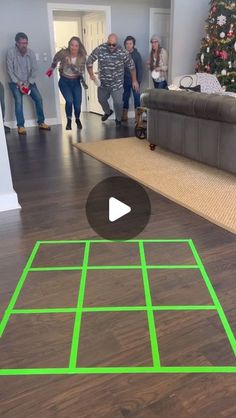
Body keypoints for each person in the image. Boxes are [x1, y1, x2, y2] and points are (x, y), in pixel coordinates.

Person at [86, 33, 139, 127]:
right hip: (103, 84)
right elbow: (89, 61)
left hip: (117, 84)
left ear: (117, 43)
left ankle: (118, 119)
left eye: (113, 45)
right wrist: (91, 75)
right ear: (107, 41)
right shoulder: (100, 49)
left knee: (118, 103)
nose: (111, 46)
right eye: (109, 44)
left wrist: (134, 80)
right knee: (101, 99)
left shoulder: (123, 52)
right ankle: (108, 111)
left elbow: (132, 67)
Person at [6, 32, 50, 135]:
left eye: (26, 43)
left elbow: (35, 70)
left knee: (39, 99)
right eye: (22, 43)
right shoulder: (10, 53)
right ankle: (20, 126)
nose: (24, 45)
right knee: (18, 101)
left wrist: (28, 83)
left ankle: (41, 122)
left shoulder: (31, 53)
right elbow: (10, 71)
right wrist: (19, 84)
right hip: (15, 82)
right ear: (17, 43)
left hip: (29, 82)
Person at [46, 36, 87, 130]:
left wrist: (70, 65)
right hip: (64, 82)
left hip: (76, 82)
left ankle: (77, 119)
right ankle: (69, 121)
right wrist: (51, 69)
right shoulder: (64, 53)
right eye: (72, 45)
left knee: (77, 104)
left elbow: (80, 73)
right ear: (69, 45)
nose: (73, 47)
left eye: (76, 45)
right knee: (69, 101)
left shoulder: (82, 57)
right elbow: (56, 58)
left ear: (79, 46)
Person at [122, 36, 142, 123]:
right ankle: (124, 115)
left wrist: (138, 82)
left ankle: (138, 118)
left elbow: (140, 70)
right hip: (125, 81)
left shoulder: (137, 55)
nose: (129, 45)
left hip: (135, 81)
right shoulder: (122, 54)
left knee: (137, 98)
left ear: (133, 45)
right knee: (125, 98)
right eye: (127, 44)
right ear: (125, 44)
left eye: (130, 44)